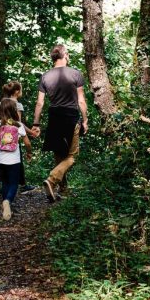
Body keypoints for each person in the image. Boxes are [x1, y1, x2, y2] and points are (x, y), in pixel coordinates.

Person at [32, 44, 88, 202]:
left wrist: (36, 124)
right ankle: (51, 180)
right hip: (71, 116)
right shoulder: (76, 74)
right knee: (71, 156)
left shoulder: (45, 76)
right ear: (66, 55)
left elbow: (40, 103)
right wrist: (85, 120)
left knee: (59, 154)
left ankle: (63, 189)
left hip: (54, 117)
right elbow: (81, 101)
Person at [0, 98, 32, 220]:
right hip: (14, 159)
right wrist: (29, 153)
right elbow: (27, 143)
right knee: (14, 183)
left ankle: (5, 202)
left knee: (5, 182)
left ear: (1, 109)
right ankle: (7, 201)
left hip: (0, 159)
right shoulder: (18, 124)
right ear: (14, 110)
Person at [0, 81, 37, 195]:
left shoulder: (2, 102)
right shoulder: (17, 104)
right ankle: (21, 185)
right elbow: (17, 123)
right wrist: (30, 132)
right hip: (12, 136)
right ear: (17, 92)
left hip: (0, 132)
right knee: (17, 159)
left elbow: (3, 119)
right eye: (21, 90)